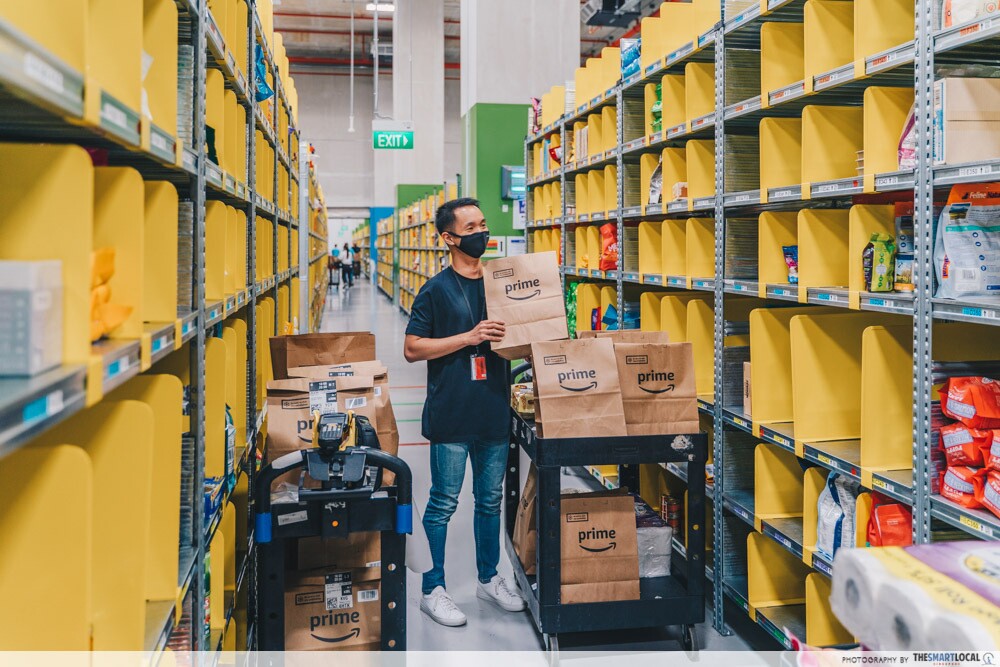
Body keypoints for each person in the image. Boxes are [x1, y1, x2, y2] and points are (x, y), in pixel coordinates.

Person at [403, 198, 525, 628]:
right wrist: (469, 336)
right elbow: (413, 348)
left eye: (484, 223)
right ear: (449, 238)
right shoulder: (435, 289)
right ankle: (432, 590)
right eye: (471, 226)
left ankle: (489, 580)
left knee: (490, 501)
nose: (482, 233)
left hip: (494, 409)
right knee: (443, 503)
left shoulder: (502, 283)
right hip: (452, 412)